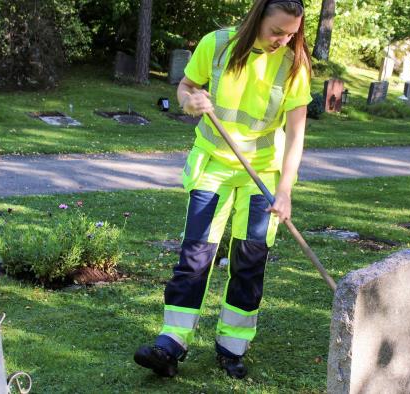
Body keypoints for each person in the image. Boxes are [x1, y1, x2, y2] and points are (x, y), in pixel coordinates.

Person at [134, 0, 311, 380]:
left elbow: (296, 133)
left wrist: (285, 190)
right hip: (213, 166)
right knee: (196, 254)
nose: (283, 40)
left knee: (250, 259)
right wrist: (190, 102)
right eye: (277, 31)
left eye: (291, 33)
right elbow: (185, 88)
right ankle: (172, 341)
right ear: (257, 18)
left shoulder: (294, 64)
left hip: (260, 175)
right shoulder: (216, 45)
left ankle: (233, 345)